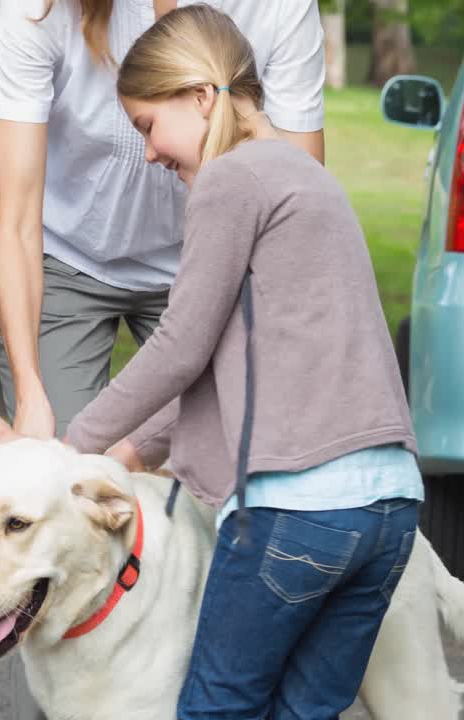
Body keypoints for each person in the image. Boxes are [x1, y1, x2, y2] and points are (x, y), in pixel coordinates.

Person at [64, 6, 424, 719]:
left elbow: (179, 346)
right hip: (389, 507)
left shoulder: (233, 181)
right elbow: (229, 356)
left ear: (201, 97)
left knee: (216, 708)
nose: (151, 155)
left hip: (298, 510)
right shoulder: (304, 177)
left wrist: (68, 445)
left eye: (147, 126)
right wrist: (134, 448)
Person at [0, 5, 323, 711]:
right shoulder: (39, 10)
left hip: (209, 263)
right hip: (63, 255)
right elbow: (14, 218)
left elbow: (294, 211)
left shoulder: (279, 9)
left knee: (234, 502)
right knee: (59, 516)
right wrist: (32, 396)